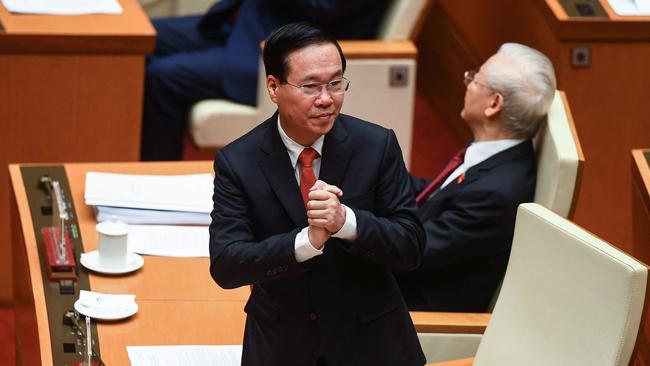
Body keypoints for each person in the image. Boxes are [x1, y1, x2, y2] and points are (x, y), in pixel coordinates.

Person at [209, 22, 426, 366]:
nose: (326, 99)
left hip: (372, 344)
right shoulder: (239, 161)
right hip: (282, 346)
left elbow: (411, 245)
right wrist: (305, 243)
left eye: (336, 83)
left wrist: (347, 223)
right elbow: (227, 265)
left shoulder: (377, 145)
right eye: (311, 86)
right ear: (274, 87)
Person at [395, 43, 557, 312]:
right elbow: (435, 195)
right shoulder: (499, 154)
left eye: (474, 79)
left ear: (494, 104)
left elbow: (413, 253)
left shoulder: (494, 194)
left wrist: (353, 228)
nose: (467, 83)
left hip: (414, 308)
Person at [141, 0, 389, 161]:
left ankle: (154, 183)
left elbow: (323, 7)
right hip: (246, 25)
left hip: (285, 53)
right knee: (141, 36)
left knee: (165, 77)